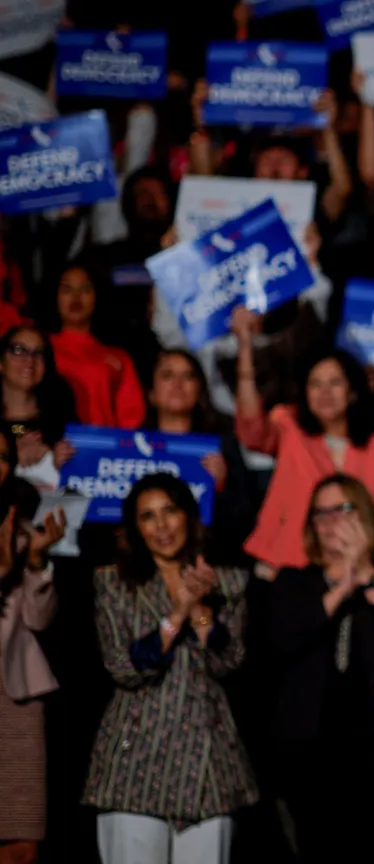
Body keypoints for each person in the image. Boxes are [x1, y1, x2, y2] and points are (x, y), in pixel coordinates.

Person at [84, 475, 256, 864]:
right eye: (148, 516)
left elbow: (228, 661)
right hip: (134, 759)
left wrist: (199, 609)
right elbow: (124, 668)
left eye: (169, 511)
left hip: (207, 764)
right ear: (135, 528)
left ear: (188, 517)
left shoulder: (227, 582)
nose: (161, 526)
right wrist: (177, 612)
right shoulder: (114, 583)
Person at [267, 476, 374, 864]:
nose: (330, 522)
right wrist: (339, 588)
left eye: (341, 510)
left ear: (364, 516)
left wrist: (367, 574)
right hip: (312, 751)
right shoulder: (294, 582)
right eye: (320, 513)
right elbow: (282, 640)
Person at [233, 309, 374, 572]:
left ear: (353, 392)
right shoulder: (289, 426)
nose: (325, 392)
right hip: (280, 568)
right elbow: (251, 429)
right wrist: (245, 346)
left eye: (334, 383)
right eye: (315, 384)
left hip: (347, 573)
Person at [0, 469, 62, 864]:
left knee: (19, 843)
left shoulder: (23, 537)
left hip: (14, 700)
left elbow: (39, 620)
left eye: (4, 456)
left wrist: (36, 561)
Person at [142, 349, 258, 557]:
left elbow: (244, 520)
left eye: (188, 376)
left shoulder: (222, 446)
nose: (178, 384)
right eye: (168, 376)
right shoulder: (129, 447)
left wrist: (221, 487)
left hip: (211, 557)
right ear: (151, 393)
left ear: (199, 390)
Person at [47, 263, 145, 430]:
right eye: (67, 289)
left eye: (85, 289)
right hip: (48, 442)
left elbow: (131, 423)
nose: (76, 297)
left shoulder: (118, 358)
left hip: (102, 444)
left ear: (97, 296)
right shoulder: (38, 349)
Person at [0, 327, 77, 489]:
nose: (29, 360)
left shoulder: (62, 419)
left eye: (38, 353)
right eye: (19, 350)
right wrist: (13, 462)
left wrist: (55, 465)